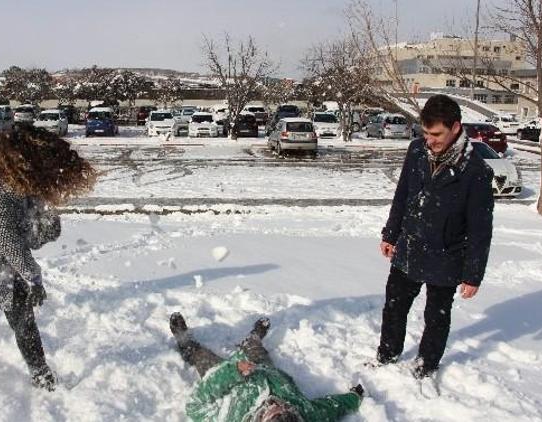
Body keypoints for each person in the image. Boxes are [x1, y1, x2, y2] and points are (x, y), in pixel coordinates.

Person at [0, 126, 96, 390]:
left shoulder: (19, 183)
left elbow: (30, 238)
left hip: (3, 270)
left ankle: (41, 375)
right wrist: (34, 278)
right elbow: (9, 242)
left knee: (25, 324)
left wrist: (46, 223)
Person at [376, 94, 494, 378]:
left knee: (436, 316)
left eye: (436, 134)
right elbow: (402, 194)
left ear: (455, 127)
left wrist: (473, 274)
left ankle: (425, 365)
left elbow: (481, 228)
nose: (430, 140)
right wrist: (391, 233)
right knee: (394, 306)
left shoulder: (475, 171)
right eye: (426, 133)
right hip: (410, 245)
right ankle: (387, 355)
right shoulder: (417, 150)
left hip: (447, 254)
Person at [169, 312, 363, 422]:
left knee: (202, 358)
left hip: (228, 380)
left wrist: (233, 372)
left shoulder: (229, 418)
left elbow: (195, 405)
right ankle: (252, 338)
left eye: (273, 411)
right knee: (255, 348)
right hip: (263, 368)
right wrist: (354, 397)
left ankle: (186, 343)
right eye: (286, 408)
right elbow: (330, 408)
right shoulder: (306, 414)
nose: (277, 403)